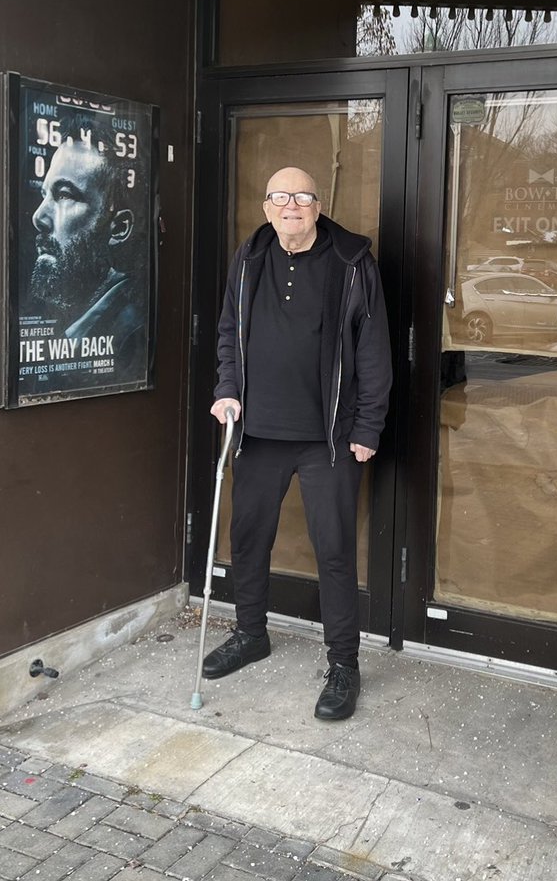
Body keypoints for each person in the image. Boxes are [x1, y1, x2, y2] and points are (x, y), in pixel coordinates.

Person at [206, 165, 392, 720]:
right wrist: (226, 390)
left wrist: (368, 426)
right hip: (258, 432)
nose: (291, 206)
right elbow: (227, 336)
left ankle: (343, 665)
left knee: (333, 550)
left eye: (303, 197)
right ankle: (250, 632)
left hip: (328, 439)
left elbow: (373, 351)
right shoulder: (249, 259)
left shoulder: (352, 262)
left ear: (319, 204)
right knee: (248, 538)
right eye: (280, 197)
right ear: (266, 206)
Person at [29, 114, 145, 379]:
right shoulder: (75, 314)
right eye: (44, 194)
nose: (38, 217)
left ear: (118, 227)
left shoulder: (131, 330)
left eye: (64, 195)